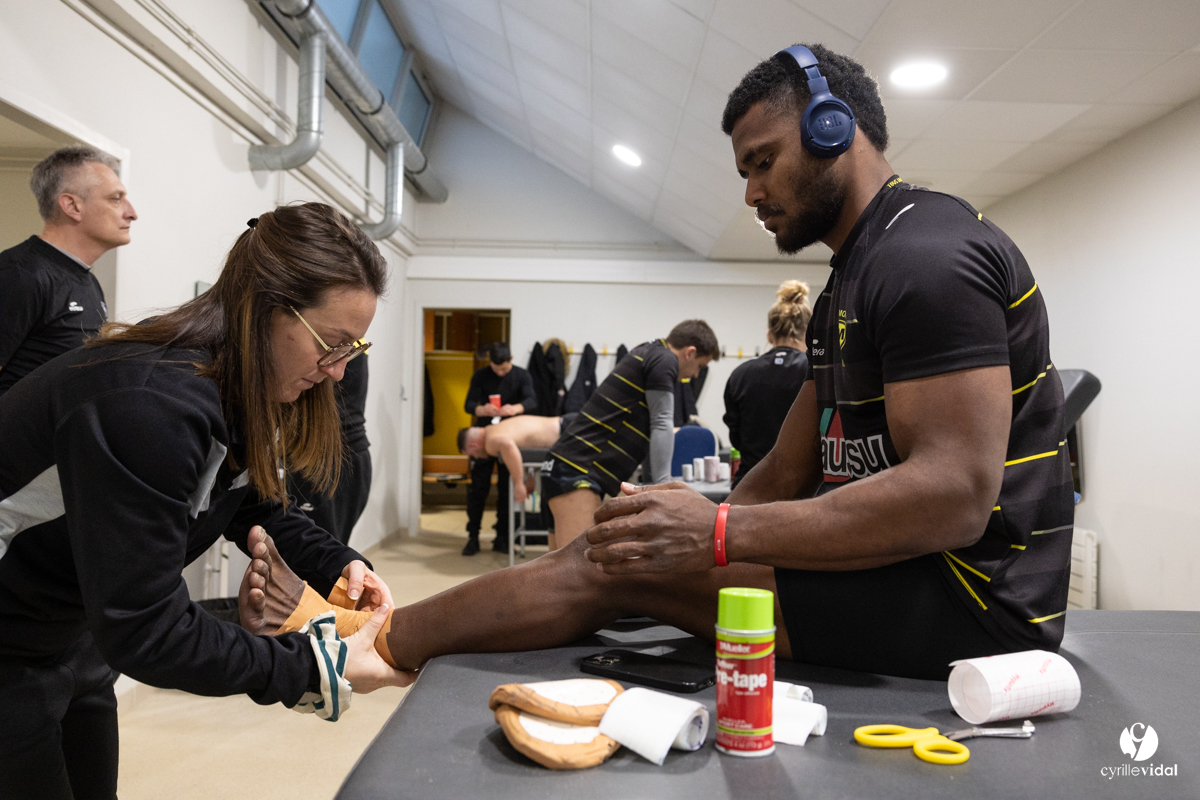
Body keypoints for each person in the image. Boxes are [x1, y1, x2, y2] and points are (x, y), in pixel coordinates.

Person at [240, 43, 1072, 687]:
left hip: (972, 610)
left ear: (832, 129)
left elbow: (956, 494)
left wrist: (716, 531)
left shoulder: (926, 256)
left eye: (762, 159)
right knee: (625, 548)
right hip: (907, 574)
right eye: (743, 168)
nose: (750, 192)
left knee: (607, 571)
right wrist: (690, 540)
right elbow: (784, 469)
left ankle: (365, 649)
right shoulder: (852, 281)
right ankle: (379, 640)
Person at [0, 203, 407, 800]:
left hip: (69, 630)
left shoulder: (236, 389)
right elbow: (147, 632)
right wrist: (320, 666)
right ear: (268, 309)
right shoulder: (148, 405)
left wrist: (338, 562)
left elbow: (250, 503)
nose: (339, 373)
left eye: (354, 349)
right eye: (333, 344)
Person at [540, 321, 719, 550]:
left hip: (564, 466)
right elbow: (662, 422)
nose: (695, 375)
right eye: (700, 366)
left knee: (559, 574)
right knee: (578, 572)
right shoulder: (665, 360)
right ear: (690, 352)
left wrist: (654, 483)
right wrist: (664, 487)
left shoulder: (648, 351)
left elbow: (650, 432)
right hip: (577, 471)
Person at [0, 146, 137, 397]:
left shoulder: (87, 281)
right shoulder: (19, 274)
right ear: (72, 206)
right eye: (115, 199)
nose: (132, 213)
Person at [723, 280, 811, 487]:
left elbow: (736, 437)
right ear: (808, 333)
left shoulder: (740, 374)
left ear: (769, 335)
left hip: (751, 485)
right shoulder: (816, 371)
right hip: (803, 487)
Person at [462, 342, 537, 555]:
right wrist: (480, 409)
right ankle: (473, 537)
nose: (500, 372)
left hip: (509, 439)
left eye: (503, 369)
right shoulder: (481, 375)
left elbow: (532, 401)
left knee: (507, 488)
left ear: (511, 359)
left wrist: (515, 408)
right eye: (496, 369)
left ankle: (502, 537)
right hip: (483, 438)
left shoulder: (522, 375)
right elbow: (468, 404)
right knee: (478, 488)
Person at [289, 353, 372, 545]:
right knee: (329, 549)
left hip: (324, 459)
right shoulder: (352, 342)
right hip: (351, 455)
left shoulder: (332, 343)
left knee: (317, 550)